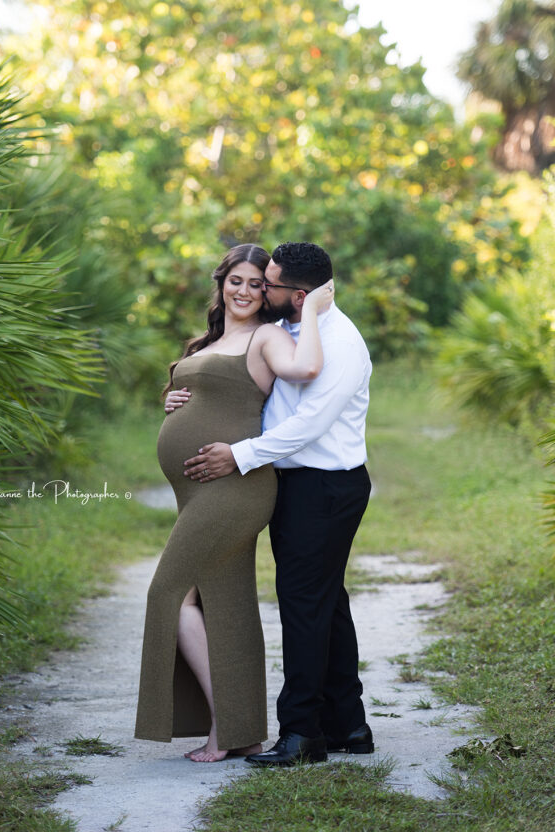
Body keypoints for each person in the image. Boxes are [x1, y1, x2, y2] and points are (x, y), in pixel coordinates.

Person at [134, 243, 334, 763]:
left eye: (254, 283)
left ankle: (225, 728)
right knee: (226, 606)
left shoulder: (268, 335)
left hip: (235, 488)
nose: (244, 291)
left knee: (169, 595)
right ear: (221, 284)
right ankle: (244, 732)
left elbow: (308, 367)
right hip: (197, 489)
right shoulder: (209, 340)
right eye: (235, 281)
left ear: (267, 291)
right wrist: (173, 397)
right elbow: (203, 394)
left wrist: (309, 307)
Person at [180, 242, 374, 766]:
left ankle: (301, 735)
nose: (261, 290)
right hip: (295, 485)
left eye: (270, 285)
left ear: (300, 294)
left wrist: (239, 456)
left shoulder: (342, 343)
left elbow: (307, 425)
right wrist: (187, 395)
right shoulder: (290, 330)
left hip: (325, 488)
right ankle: (348, 725)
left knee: (304, 609)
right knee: (327, 606)